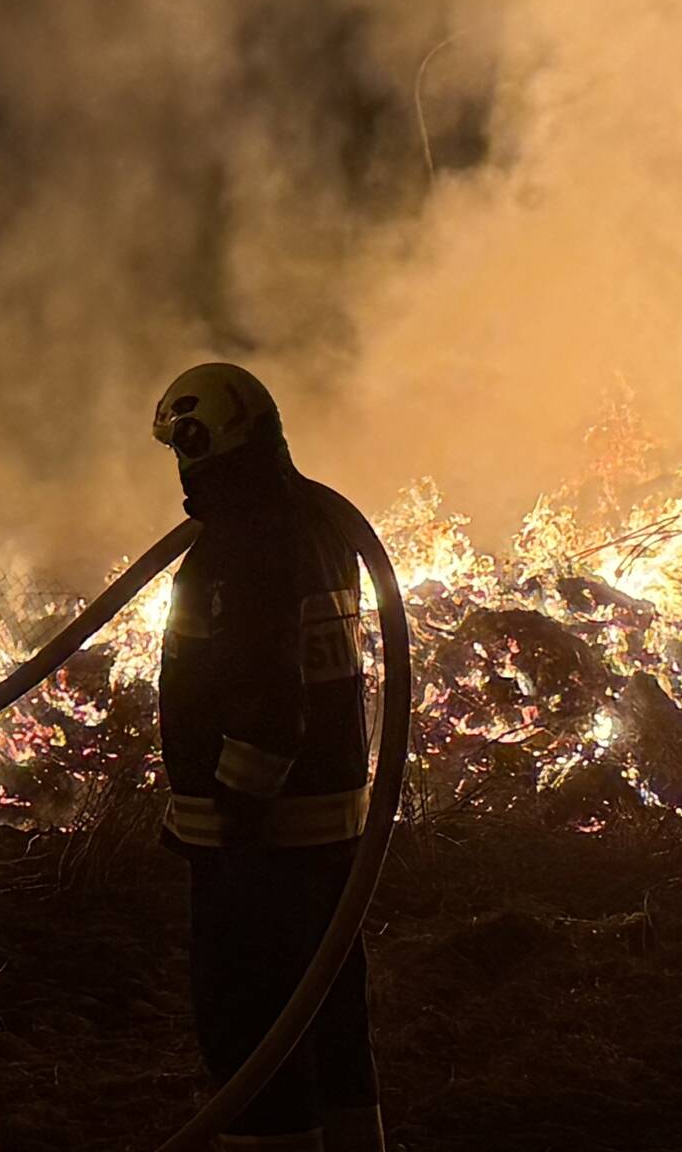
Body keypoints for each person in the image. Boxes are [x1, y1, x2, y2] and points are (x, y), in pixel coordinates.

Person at [152, 362, 383, 1152]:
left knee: (253, 1038)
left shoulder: (240, 547)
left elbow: (267, 696)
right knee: (333, 1028)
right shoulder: (321, 525)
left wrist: (236, 816)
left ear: (207, 442)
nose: (182, 470)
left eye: (184, 449)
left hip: (264, 842)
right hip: (330, 832)